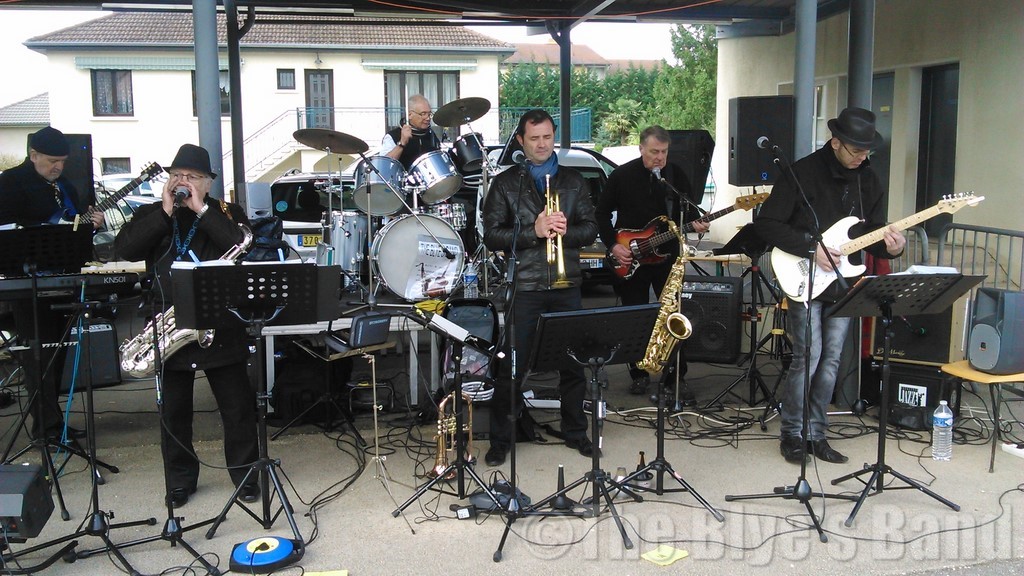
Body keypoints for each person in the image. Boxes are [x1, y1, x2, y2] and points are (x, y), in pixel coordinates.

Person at [754, 108, 905, 464]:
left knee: (832, 359)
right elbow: (768, 223)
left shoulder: (869, 180)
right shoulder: (802, 172)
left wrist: (892, 247)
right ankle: (792, 433)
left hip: (844, 281)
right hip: (804, 275)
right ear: (835, 142)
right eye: (857, 150)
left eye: (867, 151)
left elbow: (871, 234)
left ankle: (816, 433)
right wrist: (812, 248)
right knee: (808, 357)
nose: (862, 157)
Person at [115, 144, 259, 508]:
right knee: (174, 412)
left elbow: (239, 244)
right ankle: (180, 481)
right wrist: (165, 211)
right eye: (177, 175)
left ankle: (246, 476)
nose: (182, 181)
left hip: (219, 321)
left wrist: (200, 210)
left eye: (192, 177)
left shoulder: (226, 212)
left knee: (237, 408)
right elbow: (126, 249)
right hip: (167, 323)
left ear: (208, 183)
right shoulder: (152, 213)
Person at [481, 109, 599, 467]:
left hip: (567, 283)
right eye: (534, 138)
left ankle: (576, 432)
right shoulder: (504, 184)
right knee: (512, 366)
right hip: (526, 285)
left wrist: (566, 231)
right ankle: (501, 439)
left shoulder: (574, 181)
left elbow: (590, 229)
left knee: (573, 364)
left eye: (547, 137)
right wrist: (533, 231)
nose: (542, 144)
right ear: (521, 140)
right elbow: (491, 236)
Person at [0, 126, 104, 443]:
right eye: (52, 161)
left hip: (62, 278)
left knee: (57, 354)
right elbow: (7, 230)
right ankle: (44, 428)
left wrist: (91, 225)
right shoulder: (10, 183)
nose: (58, 167)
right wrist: (46, 227)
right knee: (39, 356)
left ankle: (54, 423)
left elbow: (75, 232)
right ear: (33, 155)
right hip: (27, 281)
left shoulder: (65, 186)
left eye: (62, 161)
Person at [595, 125, 709, 401]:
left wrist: (696, 223)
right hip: (630, 257)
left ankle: (675, 376)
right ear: (641, 149)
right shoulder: (622, 175)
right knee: (635, 317)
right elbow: (601, 214)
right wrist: (613, 246)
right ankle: (638, 374)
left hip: (666, 257)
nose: (660, 157)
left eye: (664, 152)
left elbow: (688, 212)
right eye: (654, 152)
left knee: (673, 315)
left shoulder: (674, 176)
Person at [380, 94, 440, 171]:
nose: (428, 118)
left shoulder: (431, 135)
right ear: (410, 115)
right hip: (403, 178)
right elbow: (384, 166)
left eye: (429, 114)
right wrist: (401, 144)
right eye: (423, 114)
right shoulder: (392, 136)